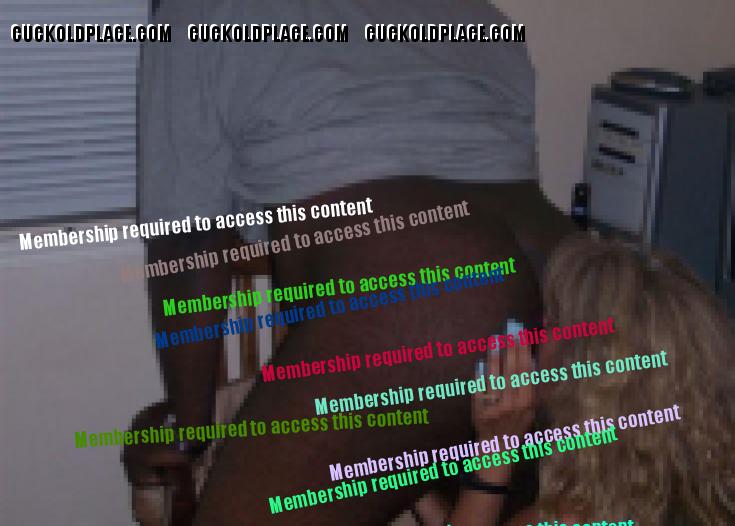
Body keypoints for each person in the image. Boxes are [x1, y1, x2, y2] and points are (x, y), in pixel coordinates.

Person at [125, 1, 575, 524]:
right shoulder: (480, 12)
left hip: (430, 300)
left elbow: (186, 243)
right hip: (578, 285)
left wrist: (190, 428)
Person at [433, 236, 734, 525]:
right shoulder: (698, 493)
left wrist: (496, 454)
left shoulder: (570, 516)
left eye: (552, 323)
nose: (535, 337)